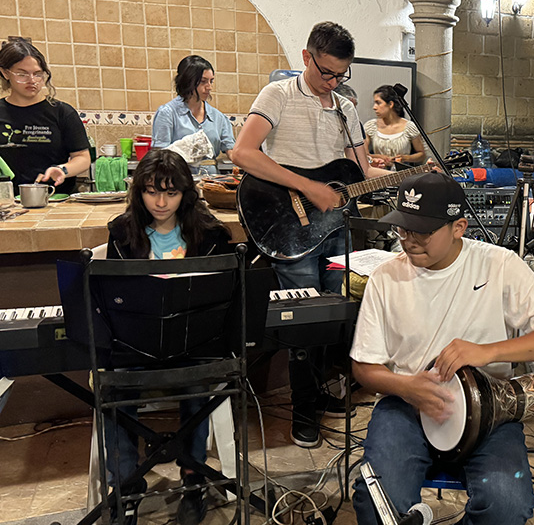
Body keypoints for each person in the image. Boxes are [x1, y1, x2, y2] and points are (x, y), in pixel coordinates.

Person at [349, 171, 534, 525]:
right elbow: (364, 367)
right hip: (406, 402)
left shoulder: (498, 265)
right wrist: (407, 387)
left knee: (508, 501)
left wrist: (488, 350)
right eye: (402, 228)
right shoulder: (386, 278)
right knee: (376, 494)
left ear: (459, 227)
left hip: (489, 406)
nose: (408, 240)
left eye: (421, 231)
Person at [230, 22, 390, 449]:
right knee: (304, 320)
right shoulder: (277, 95)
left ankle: (318, 393)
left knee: (331, 316)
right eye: (326, 72)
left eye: (341, 74)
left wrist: (408, 174)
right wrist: (308, 187)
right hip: (291, 225)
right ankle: (303, 412)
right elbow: (243, 153)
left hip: (335, 228)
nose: (333, 82)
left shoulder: (345, 108)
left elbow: (360, 172)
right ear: (307, 57)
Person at [103, 148, 235, 525]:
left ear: (185, 194)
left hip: (194, 342)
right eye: (151, 191)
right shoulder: (122, 232)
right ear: (139, 192)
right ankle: (127, 487)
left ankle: (193, 478)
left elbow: (225, 296)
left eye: (171, 192)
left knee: (197, 384)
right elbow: (110, 297)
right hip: (136, 342)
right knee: (115, 387)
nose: (161, 202)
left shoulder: (210, 234)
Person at [0, 37, 89, 193]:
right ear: (5, 73)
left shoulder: (62, 112)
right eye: (22, 74)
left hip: (56, 198)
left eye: (38, 74)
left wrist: (62, 170)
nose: (32, 80)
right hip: (7, 201)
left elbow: (82, 157)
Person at [152, 55, 235, 174]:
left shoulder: (219, 117)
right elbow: (161, 157)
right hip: (180, 180)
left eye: (211, 81)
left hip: (211, 181)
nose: (209, 87)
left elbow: (232, 151)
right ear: (187, 81)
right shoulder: (167, 113)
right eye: (203, 81)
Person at [363, 85, 425, 169]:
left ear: (390, 104)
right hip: (378, 171)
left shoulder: (409, 127)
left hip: (403, 172)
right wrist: (380, 157)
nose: (374, 107)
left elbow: (421, 154)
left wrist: (405, 158)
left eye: (378, 103)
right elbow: (363, 154)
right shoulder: (370, 126)